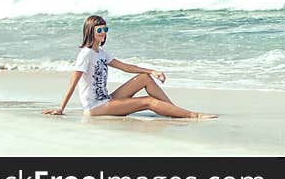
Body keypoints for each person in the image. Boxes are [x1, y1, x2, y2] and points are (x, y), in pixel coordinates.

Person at [42, 15, 217, 119]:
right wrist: (61, 108)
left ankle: (173, 110)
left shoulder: (101, 53)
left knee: (143, 79)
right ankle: (193, 115)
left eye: (105, 29)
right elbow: (73, 82)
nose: (104, 33)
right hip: (95, 107)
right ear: (91, 32)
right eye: (99, 30)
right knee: (148, 102)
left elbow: (125, 67)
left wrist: (152, 71)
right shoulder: (85, 54)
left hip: (106, 99)